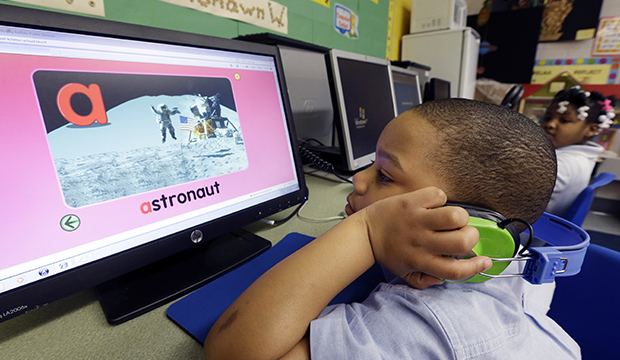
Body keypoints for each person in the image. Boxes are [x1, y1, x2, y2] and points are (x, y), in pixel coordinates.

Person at [204, 99, 580, 359]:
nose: (358, 179)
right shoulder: (506, 265)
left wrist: (366, 232)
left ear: (471, 233)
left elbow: (232, 351)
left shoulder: (428, 327)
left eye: (384, 175)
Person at [541, 87, 616, 218]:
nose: (550, 124)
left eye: (564, 120)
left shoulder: (559, 165)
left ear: (592, 130)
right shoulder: (583, 158)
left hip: (523, 235)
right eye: (547, 117)